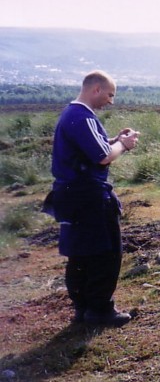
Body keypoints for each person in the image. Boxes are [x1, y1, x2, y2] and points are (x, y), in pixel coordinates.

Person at [47, 70, 140, 326]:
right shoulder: (82, 116)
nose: (111, 101)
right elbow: (102, 157)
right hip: (88, 196)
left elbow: (90, 150)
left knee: (81, 253)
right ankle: (99, 310)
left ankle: (84, 309)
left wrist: (116, 140)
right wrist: (125, 145)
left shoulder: (71, 115)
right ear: (95, 89)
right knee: (105, 252)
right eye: (109, 94)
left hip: (71, 195)